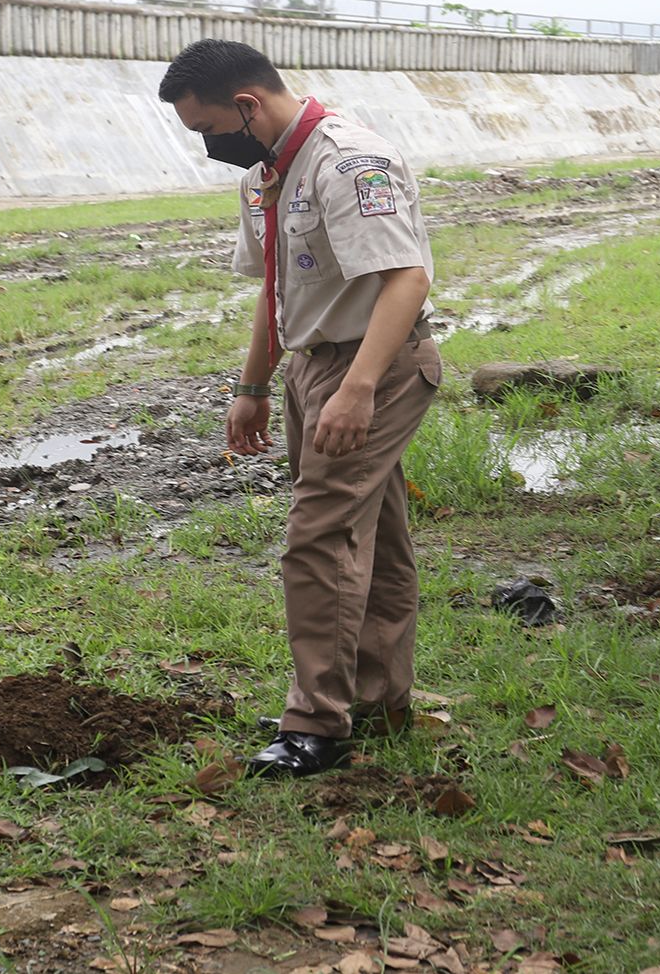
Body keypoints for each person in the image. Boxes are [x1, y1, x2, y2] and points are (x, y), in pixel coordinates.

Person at [159, 39, 440, 779]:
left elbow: (405, 280)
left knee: (317, 537)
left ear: (246, 105)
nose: (208, 145)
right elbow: (273, 291)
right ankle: (376, 698)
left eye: (207, 128)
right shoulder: (264, 176)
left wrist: (359, 388)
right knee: (371, 530)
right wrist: (252, 388)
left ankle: (316, 720)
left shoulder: (349, 161)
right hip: (314, 366)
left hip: (371, 365)